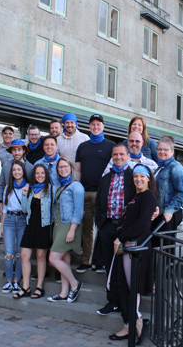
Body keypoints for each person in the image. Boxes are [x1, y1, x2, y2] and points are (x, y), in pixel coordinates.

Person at [108, 164, 157, 343]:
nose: (138, 179)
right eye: (135, 176)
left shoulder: (149, 196)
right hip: (127, 247)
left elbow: (143, 224)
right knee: (125, 287)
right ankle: (130, 323)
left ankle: (135, 323)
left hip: (136, 248)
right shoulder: (135, 197)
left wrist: (121, 238)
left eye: (142, 177)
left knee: (132, 288)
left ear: (148, 178)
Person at [94, 144, 136, 315]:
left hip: (126, 229)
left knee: (124, 268)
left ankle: (126, 303)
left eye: (121, 154)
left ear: (127, 156)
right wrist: (100, 224)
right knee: (109, 267)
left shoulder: (134, 176)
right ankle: (112, 301)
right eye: (115, 154)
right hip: (107, 227)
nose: (118, 157)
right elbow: (98, 202)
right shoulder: (105, 178)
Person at [74, 114, 115, 273]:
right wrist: (77, 190)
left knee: (103, 229)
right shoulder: (82, 147)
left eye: (98, 124)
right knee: (86, 229)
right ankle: (86, 260)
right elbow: (77, 170)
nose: (95, 127)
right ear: (89, 127)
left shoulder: (111, 146)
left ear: (103, 126)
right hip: (85, 193)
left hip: (103, 195)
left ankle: (101, 261)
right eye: (93, 124)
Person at [47, 157, 84, 303]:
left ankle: (75, 284)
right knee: (64, 259)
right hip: (59, 225)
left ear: (71, 168)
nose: (62, 169)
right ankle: (63, 293)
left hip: (69, 226)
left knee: (53, 258)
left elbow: (78, 211)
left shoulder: (77, 186)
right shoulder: (60, 186)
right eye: (60, 167)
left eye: (65, 166)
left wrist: (72, 230)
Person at [14, 164, 53, 299]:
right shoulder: (30, 189)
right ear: (34, 176)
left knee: (41, 257)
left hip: (44, 226)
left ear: (46, 175)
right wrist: (24, 195)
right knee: (24, 255)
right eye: (37, 173)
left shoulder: (51, 189)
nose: (40, 175)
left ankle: (39, 287)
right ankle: (25, 287)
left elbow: (53, 210)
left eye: (42, 173)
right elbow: (25, 210)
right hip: (30, 226)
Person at [1, 160, 29, 294]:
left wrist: (25, 195)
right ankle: (9, 281)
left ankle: (17, 281)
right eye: (14, 170)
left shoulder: (28, 186)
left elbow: (28, 208)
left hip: (22, 220)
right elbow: (5, 209)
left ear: (23, 170)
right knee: (9, 253)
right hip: (10, 220)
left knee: (20, 253)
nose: (16, 172)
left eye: (19, 169)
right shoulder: (8, 187)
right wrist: (2, 227)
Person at [155, 136, 183, 234]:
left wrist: (169, 210)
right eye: (160, 149)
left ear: (172, 152)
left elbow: (181, 193)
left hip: (169, 214)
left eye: (165, 149)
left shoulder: (176, 168)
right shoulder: (160, 168)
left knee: (166, 246)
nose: (162, 152)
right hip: (159, 213)